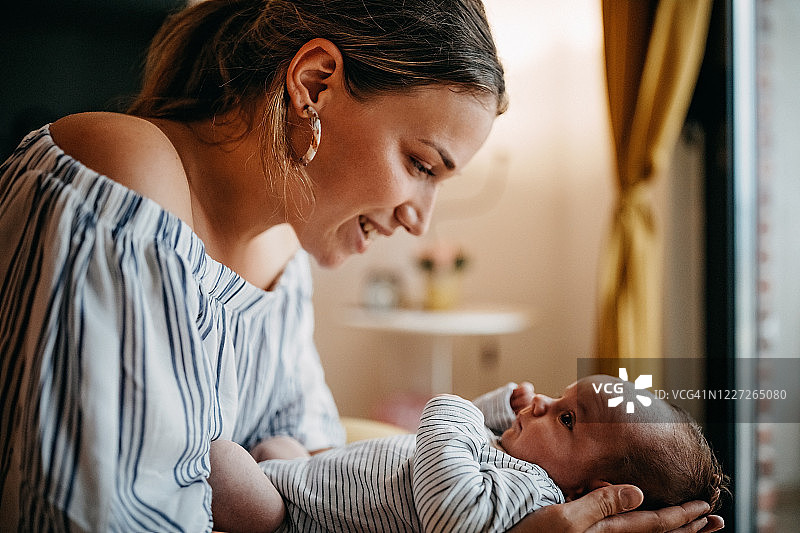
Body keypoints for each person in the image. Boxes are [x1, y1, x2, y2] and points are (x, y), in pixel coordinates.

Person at [0, 0, 722, 531]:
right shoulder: (125, 177)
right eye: (420, 164)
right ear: (313, 84)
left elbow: (318, 471)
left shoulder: (281, 262)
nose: (419, 218)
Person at [207, 375, 727, 532]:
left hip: (298, 517)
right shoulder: (517, 458)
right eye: (559, 396)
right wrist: (501, 408)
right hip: (310, 475)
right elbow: (479, 443)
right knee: (279, 447)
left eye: (565, 418)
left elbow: (452, 508)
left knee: (226, 463)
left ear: (592, 492)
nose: (544, 403)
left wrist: (452, 408)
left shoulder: (535, 493)